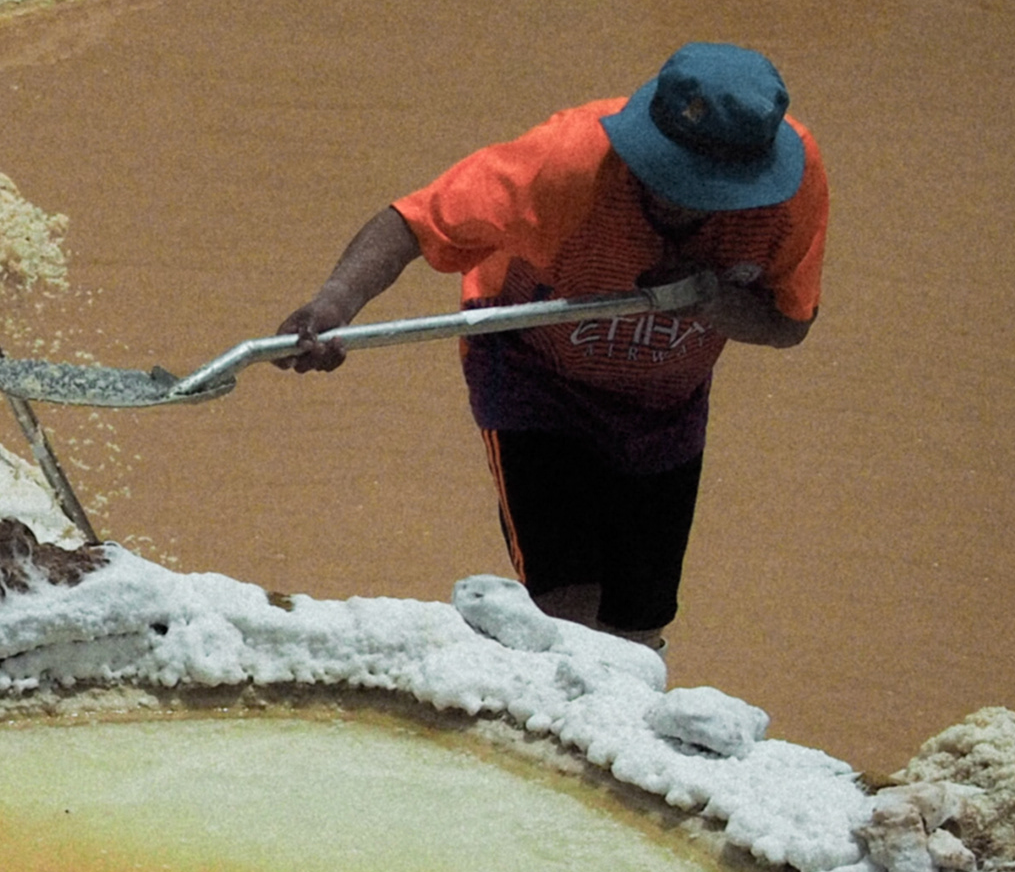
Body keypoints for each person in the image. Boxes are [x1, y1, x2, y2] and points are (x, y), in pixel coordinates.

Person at [277, 42, 827, 656]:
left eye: (713, 192)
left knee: (638, 631)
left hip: (667, 405)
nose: (685, 202)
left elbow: (788, 324)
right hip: (533, 370)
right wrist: (334, 304)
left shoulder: (792, 191)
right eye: (671, 179)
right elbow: (414, 221)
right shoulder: (567, 164)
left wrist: (711, 302)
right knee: (567, 613)